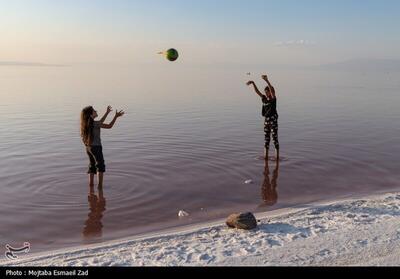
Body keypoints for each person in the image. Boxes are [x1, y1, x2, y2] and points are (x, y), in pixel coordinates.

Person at [80, 105, 124, 190]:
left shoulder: (87, 124)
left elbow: (100, 122)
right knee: (100, 166)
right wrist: (115, 116)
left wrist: (107, 112)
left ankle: (91, 187)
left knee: (92, 166)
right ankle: (100, 187)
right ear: (90, 114)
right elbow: (109, 126)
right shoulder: (95, 124)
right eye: (94, 111)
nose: (96, 111)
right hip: (96, 147)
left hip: (88, 148)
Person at [247, 74, 280, 160]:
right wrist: (253, 83)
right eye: (265, 91)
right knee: (266, 140)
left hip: (273, 120)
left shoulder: (273, 99)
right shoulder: (264, 98)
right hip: (266, 121)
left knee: (274, 139)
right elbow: (257, 92)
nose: (266, 92)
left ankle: (277, 158)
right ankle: (266, 158)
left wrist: (267, 80)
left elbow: (273, 91)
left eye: (267, 91)